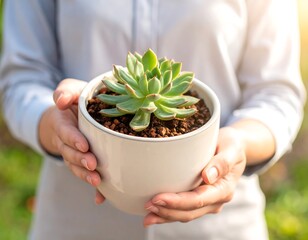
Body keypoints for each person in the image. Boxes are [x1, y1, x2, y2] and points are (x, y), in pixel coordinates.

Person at [0, 1, 305, 239]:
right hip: (76, 216)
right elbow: (21, 78)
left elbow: (277, 92)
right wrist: (55, 126)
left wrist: (238, 143)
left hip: (219, 222)